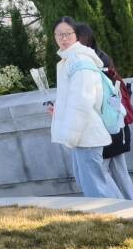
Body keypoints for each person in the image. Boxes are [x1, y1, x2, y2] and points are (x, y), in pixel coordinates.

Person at [49, 17, 122, 199]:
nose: (63, 38)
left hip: (86, 136)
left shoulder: (79, 60)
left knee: (96, 192)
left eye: (68, 34)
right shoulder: (69, 60)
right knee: (92, 186)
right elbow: (72, 99)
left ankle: (119, 216)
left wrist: (70, 137)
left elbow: (83, 101)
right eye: (59, 34)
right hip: (82, 136)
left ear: (76, 35)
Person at [74, 21, 133, 200]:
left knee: (100, 171)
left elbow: (90, 98)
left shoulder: (88, 63)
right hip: (118, 123)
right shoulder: (103, 57)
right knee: (121, 172)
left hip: (104, 126)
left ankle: (121, 206)